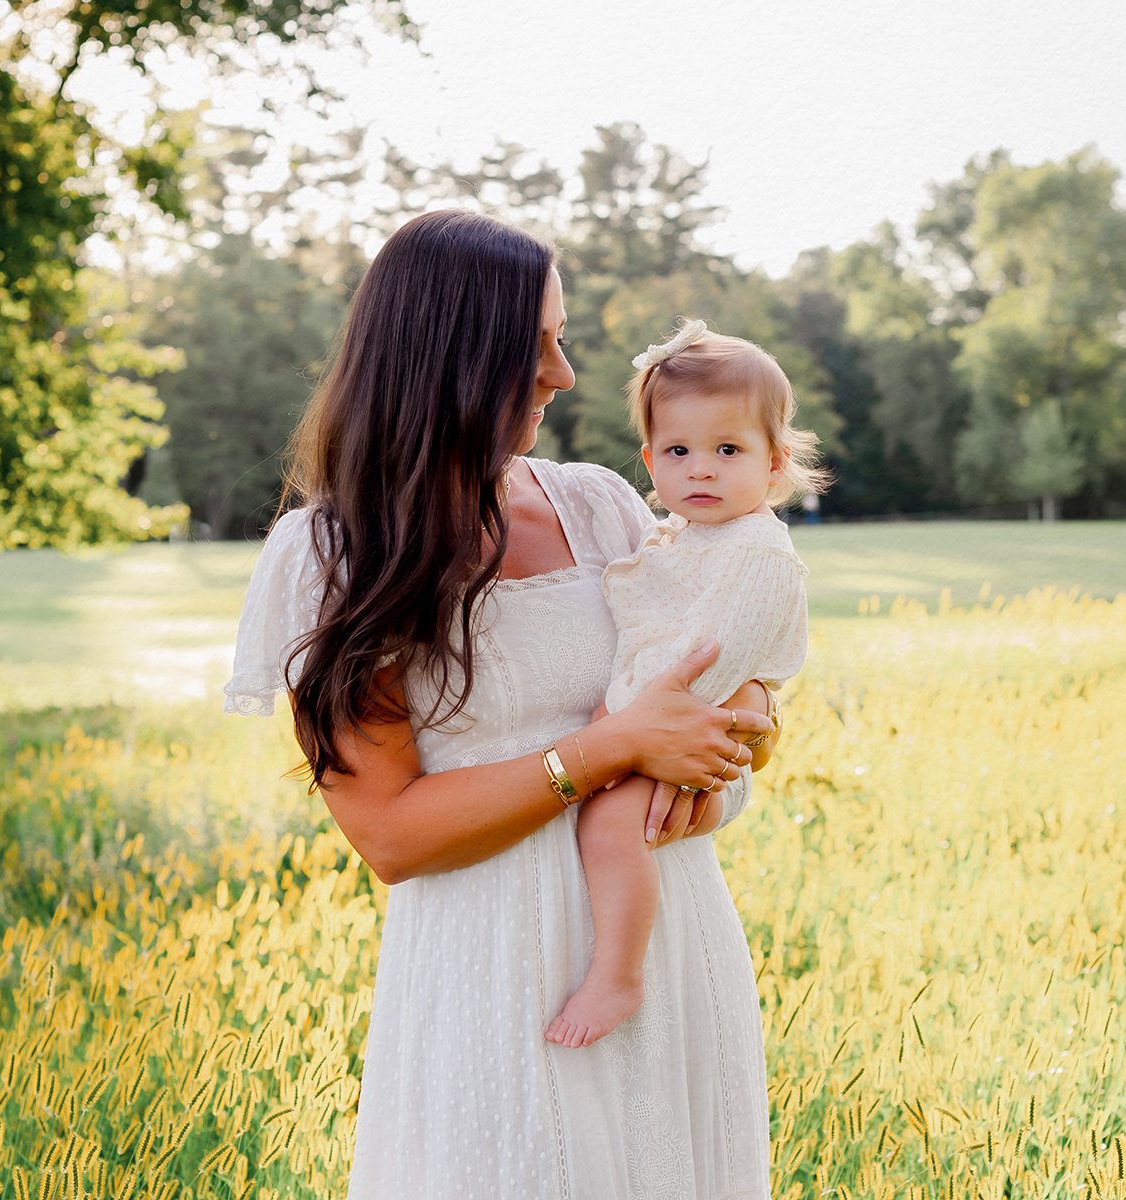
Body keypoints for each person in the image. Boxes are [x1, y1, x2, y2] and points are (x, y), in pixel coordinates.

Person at [223, 210, 780, 1200]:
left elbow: (709, 682)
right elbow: (390, 835)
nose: (563, 374)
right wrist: (606, 751)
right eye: (535, 346)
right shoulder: (334, 557)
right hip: (495, 975)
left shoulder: (603, 506)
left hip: (667, 939)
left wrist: (746, 732)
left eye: (559, 339)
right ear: (450, 357)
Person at [545, 319, 824, 1051]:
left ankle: (617, 974)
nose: (701, 470)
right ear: (650, 460)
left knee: (612, 827)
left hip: (677, 720)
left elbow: (713, 657)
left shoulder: (759, 551)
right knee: (612, 823)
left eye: (727, 451)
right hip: (650, 724)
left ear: (774, 462)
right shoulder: (683, 536)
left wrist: (621, 719)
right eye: (679, 451)